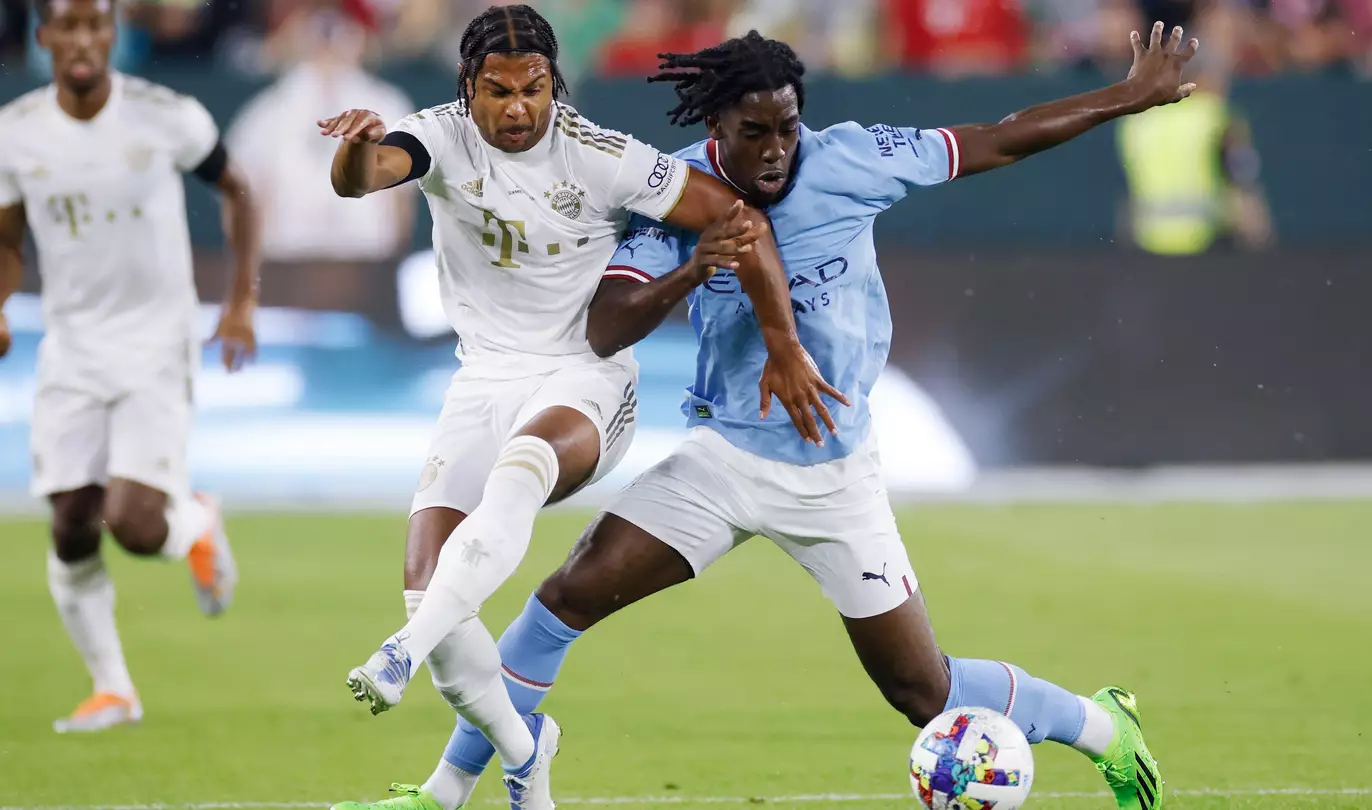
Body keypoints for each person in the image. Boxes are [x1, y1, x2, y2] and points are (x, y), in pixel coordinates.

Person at [331, 22, 1201, 810]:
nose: (779, 149)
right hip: (721, 463)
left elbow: (998, 140)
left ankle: (1098, 725)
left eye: (788, 126)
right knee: (560, 602)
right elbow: (605, 325)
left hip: (834, 474)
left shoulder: (854, 157)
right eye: (756, 133)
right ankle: (447, 792)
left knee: (923, 694)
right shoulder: (676, 193)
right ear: (719, 130)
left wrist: (1128, 95)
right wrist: (691, 266)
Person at [317, 5, 841, 810]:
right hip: (482, 382)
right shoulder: (440, 134)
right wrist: (355, 149)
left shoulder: (601, 156)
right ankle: (527, 752)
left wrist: (783, 344)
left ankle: (399, 655)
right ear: (469, 89)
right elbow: (365, 177)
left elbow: (737, 218)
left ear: (554, 84)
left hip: (586, 379)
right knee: (433, 595)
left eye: (533, 89)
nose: (518, 108)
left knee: (518, 477)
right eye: (498, 91)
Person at [0, 0, 256, 733]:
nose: (82, 40)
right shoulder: (14, 134)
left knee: (135, 526)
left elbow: (241, 191)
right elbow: (8, 241)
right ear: (43, 36)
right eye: (68, 26)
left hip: (155, 339)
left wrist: (241, 302)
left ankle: (195, 519)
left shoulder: (164, 115)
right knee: (71, 525)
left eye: (96, 25)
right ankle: (113, 688)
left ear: (113, 35)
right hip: (71, 344)